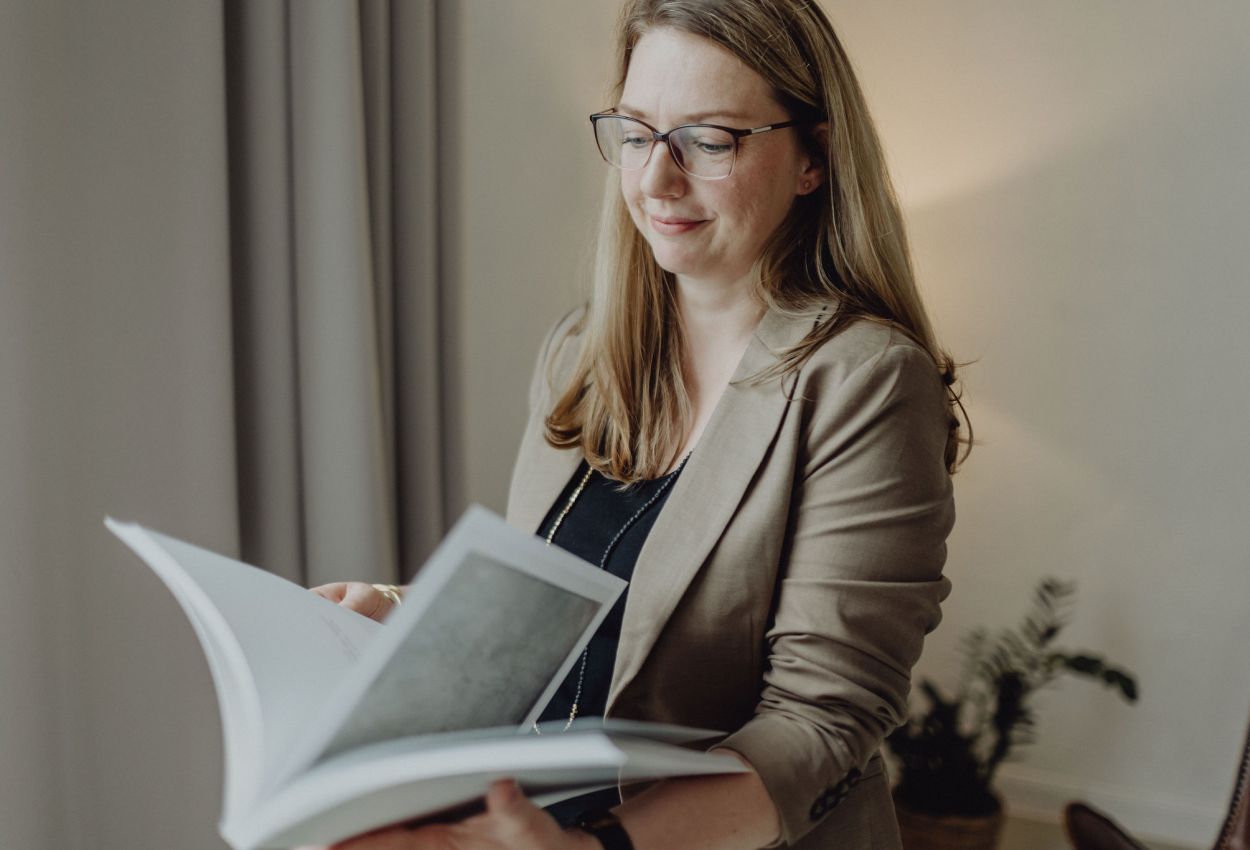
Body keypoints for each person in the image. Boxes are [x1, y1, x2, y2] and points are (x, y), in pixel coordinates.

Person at [309, 0, 971, 847]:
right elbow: (549, 609)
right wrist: (400, 612)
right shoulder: (579, 352)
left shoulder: (866, 380)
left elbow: (820, 726)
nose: (656, 179)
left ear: (814, 157)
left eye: (709, 140)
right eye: (636, 132)